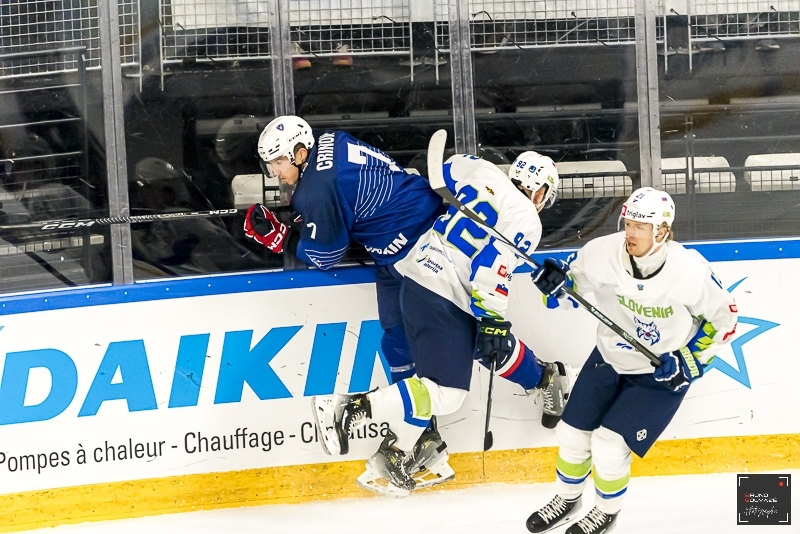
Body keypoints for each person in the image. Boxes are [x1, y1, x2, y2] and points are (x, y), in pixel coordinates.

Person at [312, 151, 576, 496]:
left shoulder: (481, 170)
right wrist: (493, 319)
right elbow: (490, 267)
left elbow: (443, 170)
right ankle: (350, 408)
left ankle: (398, 453)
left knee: (440, 372)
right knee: (449, 392)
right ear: (540, 192)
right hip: (445, 294)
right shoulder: (527, 218)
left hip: (416, 273)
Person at [243, 115, 452, 488]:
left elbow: (327, 254)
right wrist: (305, 221)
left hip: (421, 250)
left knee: (442, 354)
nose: (275, 172)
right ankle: (422, 436)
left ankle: (536, 375)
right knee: (395, 340)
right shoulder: (332, 140)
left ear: (300, 152)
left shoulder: (316, 189)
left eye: (278, 162)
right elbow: (347, 199)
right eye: (270, 163)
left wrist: (282, 238)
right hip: (399, 242)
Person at [525, 187, 739, 534]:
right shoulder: (600, 254)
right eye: (629, 222)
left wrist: (688, 360)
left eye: (642, 226)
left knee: (609, 447)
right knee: (573, 434)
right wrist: (554, 286)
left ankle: (606, 513)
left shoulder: (689, 271)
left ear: (663, 231)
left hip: (662, 373)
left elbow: (725, 321)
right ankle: (567, 499)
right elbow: (567, 296)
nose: (630, 232)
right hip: (609, 357)